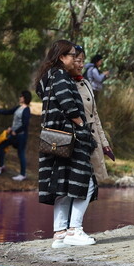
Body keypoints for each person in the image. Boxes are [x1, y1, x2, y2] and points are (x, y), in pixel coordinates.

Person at [35, 39, 98, 248]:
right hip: (70, 136)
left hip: (54, 139)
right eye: (73, 56)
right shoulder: (61, 76)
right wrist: (81, 126)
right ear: (62, 57)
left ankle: (60, 233)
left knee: (61, 184)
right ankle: (74, 230)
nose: (76, 59)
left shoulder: (47, 77)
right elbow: (68, 104)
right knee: (86, 181)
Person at [72, 45, 113, 183]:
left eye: (83, 60)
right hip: (73, 146)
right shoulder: (62, 84)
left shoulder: (86, 84)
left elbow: (95, 116)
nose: (81, 65)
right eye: (78, 60)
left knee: (90, 186)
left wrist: (104, 143)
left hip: (91, 143)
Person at [0, 90, 32, 181]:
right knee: (0, 146)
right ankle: (1, 166)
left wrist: (16, 131)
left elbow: (25, 125)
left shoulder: (26, 110)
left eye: (21, 96)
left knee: (21, 154)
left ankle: (22, 174)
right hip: (14, 135)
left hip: (21, 136)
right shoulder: (19, 107)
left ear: (24, 98)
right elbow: (8, 112)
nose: (19, 98)